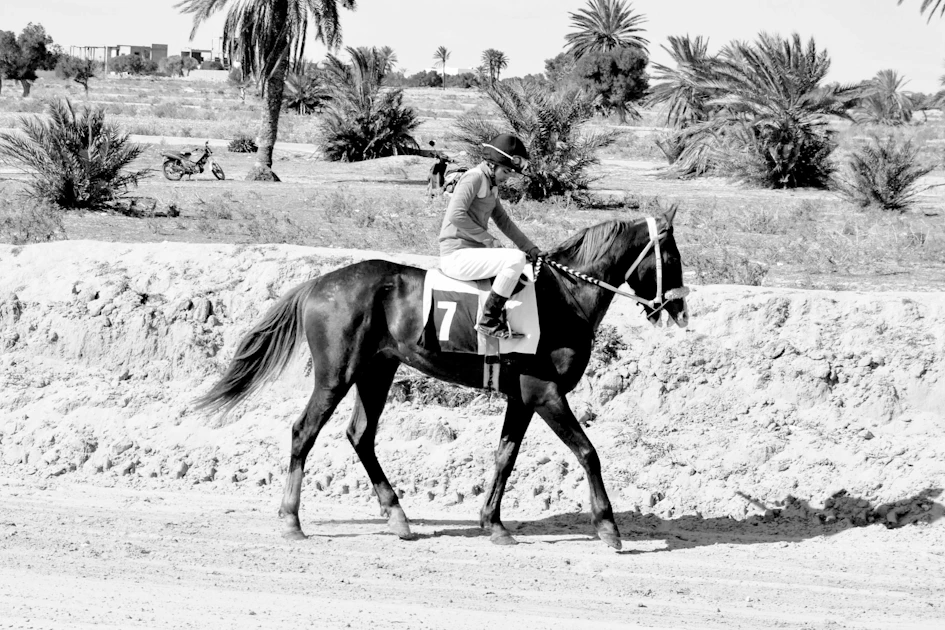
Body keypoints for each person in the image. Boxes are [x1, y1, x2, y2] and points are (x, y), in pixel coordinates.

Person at [438, 133, 541, 340]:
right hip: (456, 255)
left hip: (473, 253)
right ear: (491, 165)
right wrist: (489, 240)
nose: (507, 178)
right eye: (505, 172)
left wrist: (531, 248)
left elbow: (504, 222)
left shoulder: (491, 185)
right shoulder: (474, 177)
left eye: (511, 174)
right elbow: (455, 215)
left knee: (523, 263)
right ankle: (488, 321)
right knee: (515, 259)